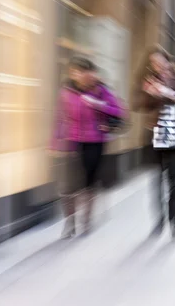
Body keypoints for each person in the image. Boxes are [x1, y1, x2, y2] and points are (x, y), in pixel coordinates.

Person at [51, 57, 124, 239]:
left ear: (91, 73)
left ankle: (86, 221)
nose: (80, 75)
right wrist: (54, 142)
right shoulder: (66, 92)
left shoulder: (101, 91)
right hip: (71, 142)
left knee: (88, 184)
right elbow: (59, 118)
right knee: (67, 186)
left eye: (84, 71)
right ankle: (70, 222)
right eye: (75, 72)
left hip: (94, 142)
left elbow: (119, 111)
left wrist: (98, 104)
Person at [131, 47, 175, 238]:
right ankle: (159, 218)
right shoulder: (147, 81)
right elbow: (137, 104)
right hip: (154, 136)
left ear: (168, 61)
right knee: (157, 181)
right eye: (153, 63)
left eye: (161, 62)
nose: (158, 66)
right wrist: (149, 93)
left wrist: (170, 94)